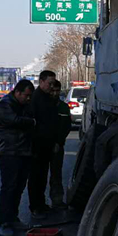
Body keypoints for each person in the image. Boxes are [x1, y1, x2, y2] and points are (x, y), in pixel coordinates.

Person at [0, 79, 36, 236]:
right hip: (9, 153)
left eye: (30, 96)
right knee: (8, 188)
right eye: (26, 95)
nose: (28, 98)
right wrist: (32, 121)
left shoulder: (24, 105)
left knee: (19, 188)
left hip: (24, 151)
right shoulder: (5, 104)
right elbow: (15, 121)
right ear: (17, 92)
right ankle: (4, 222)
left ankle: (13, 218)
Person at [28, 69, 58, 219]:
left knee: (43, 176)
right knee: (35, 178)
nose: (51, 86)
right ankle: (35, 206)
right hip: (37, 145)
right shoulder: (35, 98)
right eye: (49, 83)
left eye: (53, 83)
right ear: (41, 82)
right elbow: (33, 123)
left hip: (47, 144)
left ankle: (41, 204)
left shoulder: (48, 97)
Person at [48, 79, 72, 209]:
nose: (55, 93)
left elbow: (66, 127)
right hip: (43, 146)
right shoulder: (43, 105)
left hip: (57, 146)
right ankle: (38, 204)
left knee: (56, 175)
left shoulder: (63, 107)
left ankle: (57, 200)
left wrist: (59, 142)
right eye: (53, 90)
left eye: (57, 91)